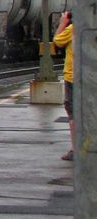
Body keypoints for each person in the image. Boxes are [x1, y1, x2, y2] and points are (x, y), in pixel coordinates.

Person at [53, 10, 74, 161]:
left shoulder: (73, 29)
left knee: (73, 114)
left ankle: (75, 149)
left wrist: (62, 23)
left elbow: (57, 42)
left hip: (73, 78)